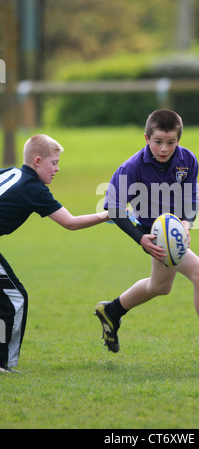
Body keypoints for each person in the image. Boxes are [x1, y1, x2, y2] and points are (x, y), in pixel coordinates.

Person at [95, 109, 199, 367]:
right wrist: (140, 238)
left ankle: (111, 311)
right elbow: (112, 208)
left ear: (179, 139)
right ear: (146, 138)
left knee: (160, 286)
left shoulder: (187, 160)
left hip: (170, 232)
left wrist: (186, 223)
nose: (164, 149)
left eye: (171, 142)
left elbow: (191, 198)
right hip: (154, 235)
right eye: (158, 142)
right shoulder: (131, 168)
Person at [0, 134, 109, 373]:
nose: (57, 169)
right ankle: (1, 364)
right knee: (15, 299)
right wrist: (108, 215)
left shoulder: (9, 172)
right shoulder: (34, 189)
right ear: (37, 161)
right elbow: (70, 222)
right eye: (54, 163)